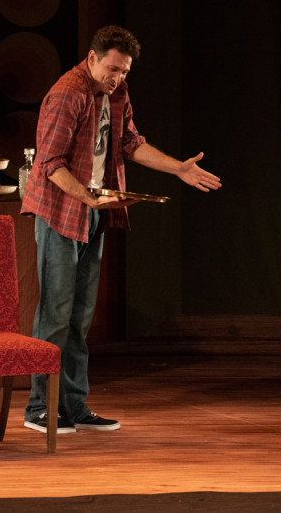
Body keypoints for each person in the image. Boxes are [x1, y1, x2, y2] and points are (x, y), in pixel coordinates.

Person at [21, 26, 222, 434]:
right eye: (112, 69)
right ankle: (40, 408)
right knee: (55, 314)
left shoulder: (117, 93)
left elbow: (130, 142)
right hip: (60, 212)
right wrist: (87, 197)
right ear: (92, 58)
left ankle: (73, 405)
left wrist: (178, 168)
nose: (117, 78)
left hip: (92, 212)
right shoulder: (68, 94)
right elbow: (50, 163)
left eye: (125, 71)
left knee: (80, 317)